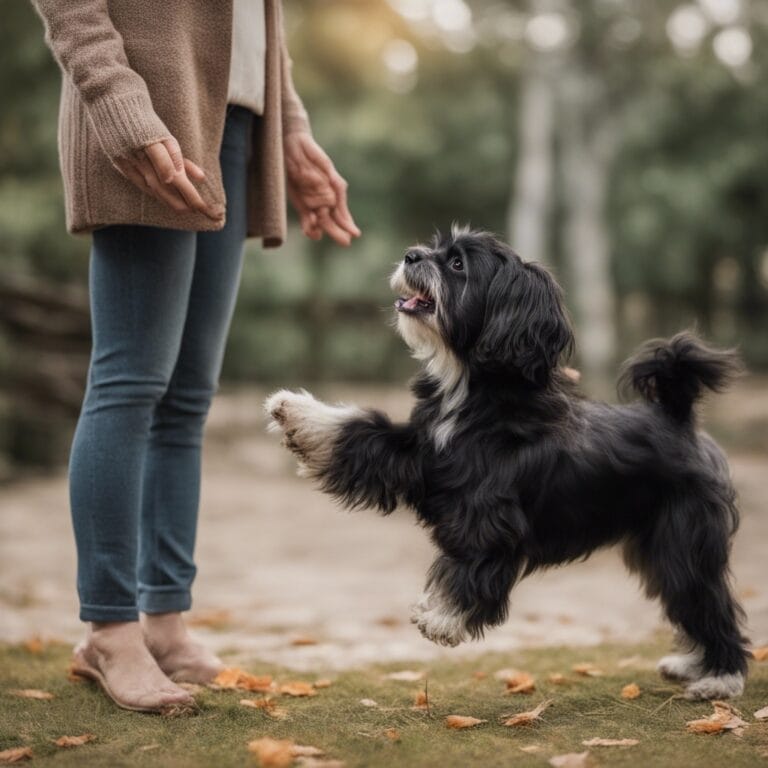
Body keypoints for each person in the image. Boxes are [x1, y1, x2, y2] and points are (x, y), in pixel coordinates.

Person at [32, 0, 360, 713]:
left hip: (237, 116)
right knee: (129, 382)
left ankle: (166, 623)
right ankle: (110, 631)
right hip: (150, 106)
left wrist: (291, 126)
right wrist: (118, 106)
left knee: (186, 399)